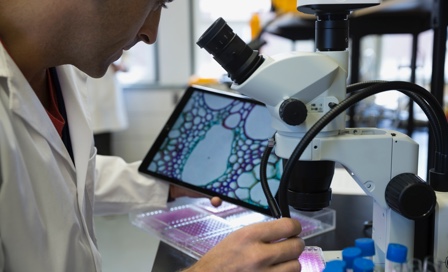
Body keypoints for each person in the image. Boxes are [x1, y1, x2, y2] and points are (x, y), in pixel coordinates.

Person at [0, 0, 305, 271]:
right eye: (157, 3)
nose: (151, 34)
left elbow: (60, 178)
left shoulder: (59, 69)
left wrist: (169, 186)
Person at [86, 62, 129, 155]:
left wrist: (116, 64)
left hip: (103, 102)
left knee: (103, 145)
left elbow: (125, 65)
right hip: (90, 96)